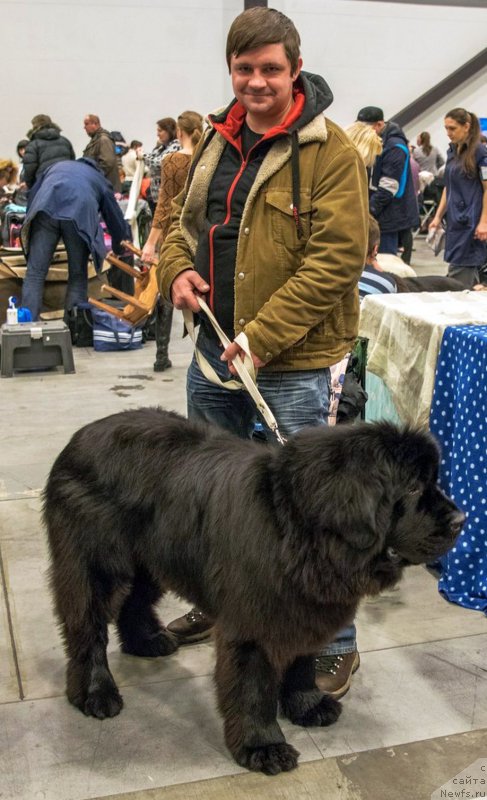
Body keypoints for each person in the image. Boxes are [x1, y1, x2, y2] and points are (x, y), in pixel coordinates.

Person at [157, 7, 368, 698]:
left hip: (292, 363)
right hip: (213, 356)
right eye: (243, 69)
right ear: (231, 71)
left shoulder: (329, 151)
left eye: (269, 69)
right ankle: (221, 604)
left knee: (311, 512)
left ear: (294, 69)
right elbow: (181, 228)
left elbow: (334, 260)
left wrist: (260, 339)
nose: (255, 82)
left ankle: (331, 642)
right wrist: (175, 273)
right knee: (209, 502)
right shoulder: (214, 143)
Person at [21, 158, 131, 320]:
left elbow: (33, 195)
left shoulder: (55, 166)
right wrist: (119, 248)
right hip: (78, 216)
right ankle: (73, 329)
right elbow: (114, 218)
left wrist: (30, 224)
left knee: (35, 273)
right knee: (78, 275)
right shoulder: (99, 179)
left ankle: (26, 328)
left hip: (45, 210)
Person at [141, 111, 204, 372]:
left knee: (168, 292)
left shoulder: (172, 161)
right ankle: (207, 355)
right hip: (202, 236)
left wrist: (151, 242)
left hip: (175, 235)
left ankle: (161, 355)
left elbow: (165, 205)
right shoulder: (205, 158)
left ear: (179, 132)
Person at [429, 108, 487, 289]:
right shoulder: (452, 152)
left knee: (458, 281)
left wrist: (484, 222)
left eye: (452, 128)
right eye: (446, 128)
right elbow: (449, 187)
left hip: (472, 224)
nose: (448, 133)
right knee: (462, 277)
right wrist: (438, 217)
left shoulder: (480, 153)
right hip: (455, 222)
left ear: (466, 127)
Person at [357, 106, 419, 257]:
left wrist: (369, 210)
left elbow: (388, 186)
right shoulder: (378, 142)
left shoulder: (395, 147)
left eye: (366, 128)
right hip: (379, 214)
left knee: (385, 262)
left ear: (379, 124)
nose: (362, 132)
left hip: (388, 216)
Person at [21, 114, 75, 189]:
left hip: (44, 184)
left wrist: (31, 186)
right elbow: (72, 161)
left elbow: (29, 169)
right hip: (67, 181)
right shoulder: (65, 141)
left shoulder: (33, 145)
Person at [142, 118, 181, 214]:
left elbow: (159, 163)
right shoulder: (162, 148)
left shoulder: (176, 146)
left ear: (169, 131)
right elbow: (152, 158)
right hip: (155, 193)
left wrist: (142, 156)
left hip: (166, 195)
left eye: (160, 131)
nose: (157, 134)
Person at [82, 114, 121, 192]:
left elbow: (108, 162)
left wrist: (93, 176)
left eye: (86, 124)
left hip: (106, 187)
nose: (84, 127)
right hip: (102, 186)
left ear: (95, 124)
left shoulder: (103, 140)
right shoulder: (96, 140)